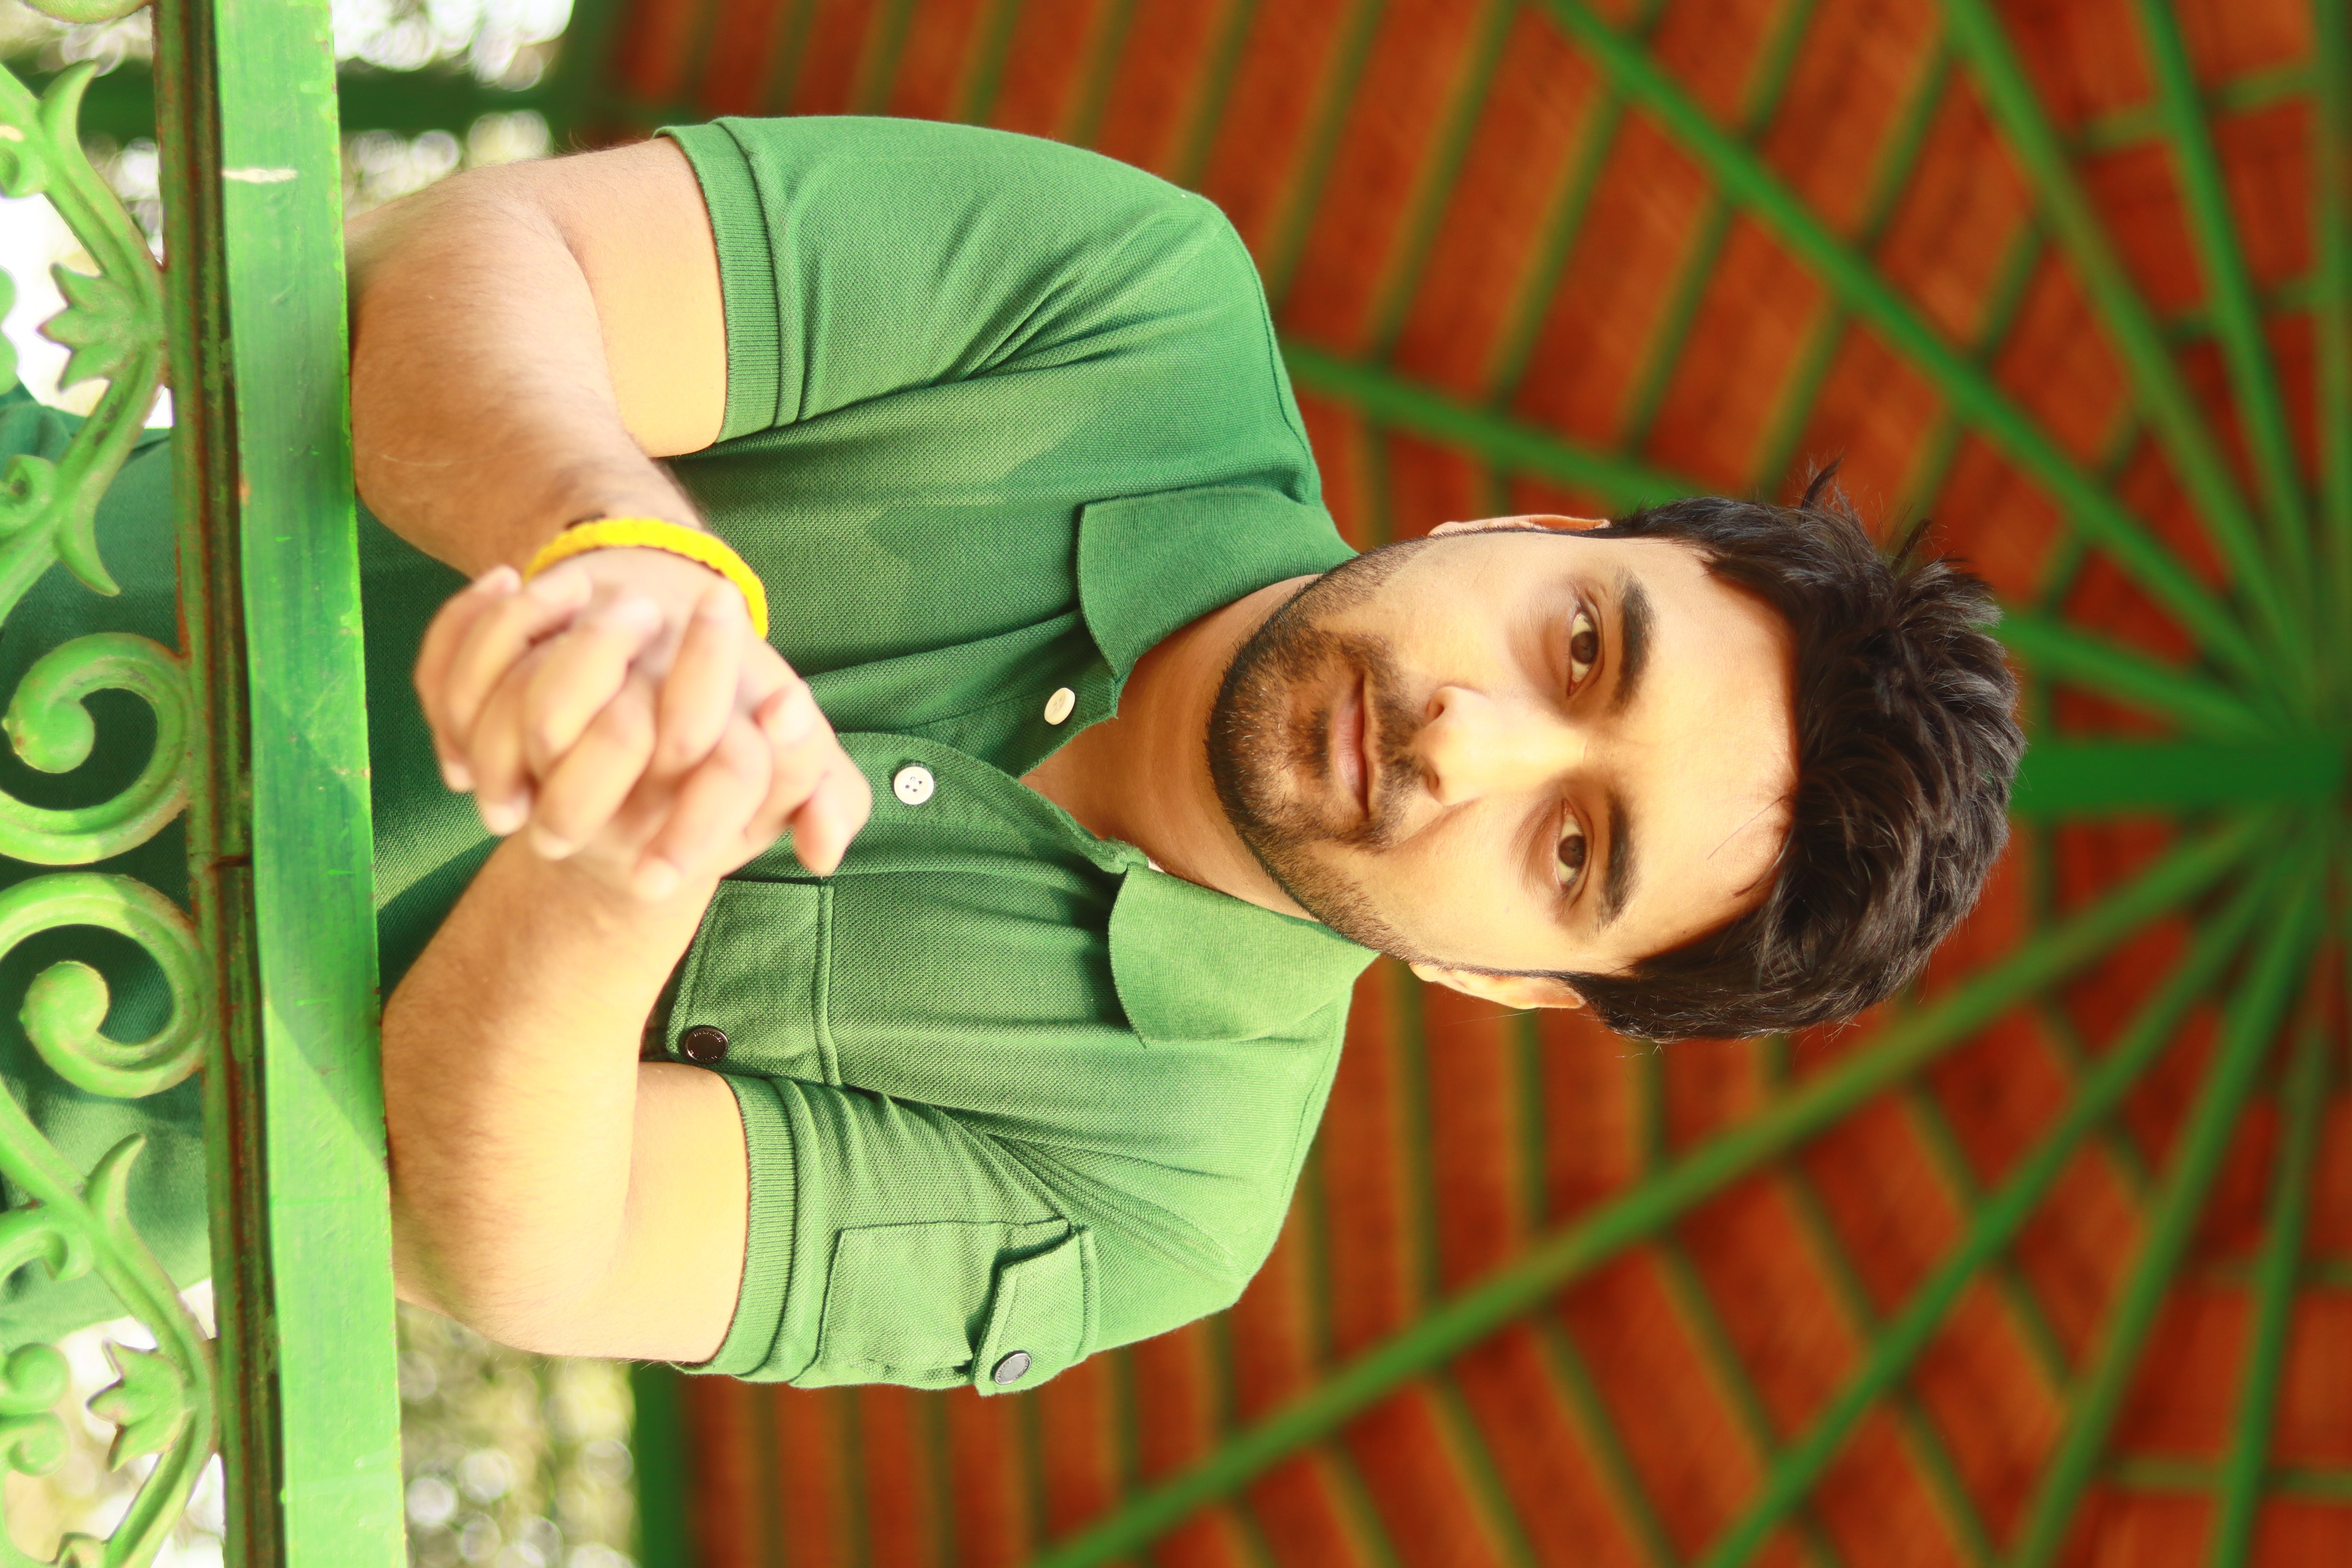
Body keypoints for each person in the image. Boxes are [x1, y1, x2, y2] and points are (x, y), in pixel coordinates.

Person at [0, 116, 2020, 1389]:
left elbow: (525, 1245)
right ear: (1539, 528)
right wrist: (615, 550)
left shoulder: (1164, 1198)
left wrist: (621, 878)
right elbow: (476, 261)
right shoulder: (1137, 298)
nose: (1463, 739)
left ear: (1514, 985)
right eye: (1580, 644)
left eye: (1570, 851)